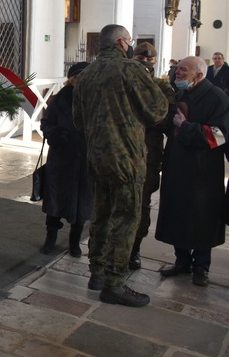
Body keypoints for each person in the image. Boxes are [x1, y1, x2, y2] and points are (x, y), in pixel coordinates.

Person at [73, 24, 168, 308]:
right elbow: (158, 110)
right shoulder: (130, 70)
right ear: (122, 42)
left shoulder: (86, 75)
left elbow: (78, 121)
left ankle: (97, 274)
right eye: (129, 41)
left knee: (101, 213)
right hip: (127, 157)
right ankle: (115, 284)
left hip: (98, 157)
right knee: (126, 218)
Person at [155, 56, 229, 287]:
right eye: (178, 69)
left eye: (183, 71)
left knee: (202, 216)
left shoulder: (217, 97)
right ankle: (182, 261)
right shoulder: (179, 94)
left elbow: (219, 135)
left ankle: (201, 266)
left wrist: (185, 127)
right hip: (177, 164)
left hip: (203, 170)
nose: (177, 73)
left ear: (198, 75)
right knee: (178, 211)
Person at [128, 42, 176, 270]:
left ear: (155, 62)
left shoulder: (162, 88)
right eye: (140, 58)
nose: (145, 62)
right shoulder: (123, 82)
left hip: (148, 154)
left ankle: (134, 248)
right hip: (123, 152)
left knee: (142, 203)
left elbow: (167, 119)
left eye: (149, 59)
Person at [39, 62, 93, 257]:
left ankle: (74, 241)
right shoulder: (60, 99)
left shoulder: (95, 100)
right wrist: (57, 134)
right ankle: (50, 238)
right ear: (73, 79)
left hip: (86, 159)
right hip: (62, 158)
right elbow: (46, 123)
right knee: (55, 199)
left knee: (82, 201)